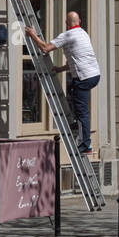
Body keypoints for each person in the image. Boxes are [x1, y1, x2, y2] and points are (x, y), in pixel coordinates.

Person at [26, 12, 100, 154]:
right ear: (80, 21)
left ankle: (86, 145)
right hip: (94, 75)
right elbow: (78, 59)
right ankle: (75, 123)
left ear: (67, 23)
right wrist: (60, 69)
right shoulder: (83, 33)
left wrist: (32, 34)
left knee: (82, 111)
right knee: (73, 95)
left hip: (83, 78)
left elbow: (45, 48)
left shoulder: (68, 35)